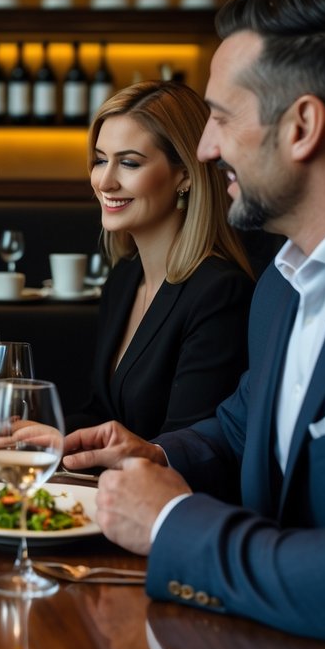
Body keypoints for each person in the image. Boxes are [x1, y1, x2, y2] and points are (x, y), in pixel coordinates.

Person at [62, 0, 325, 649]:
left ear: (302, 127)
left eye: (220, 116)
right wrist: (155, 456)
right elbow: (243, 426)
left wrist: (167, 521)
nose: (205, 147)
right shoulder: (284, 282)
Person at [70, 80, 253, 438]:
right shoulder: (125, 277)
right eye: (100, 160)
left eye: (129, 163)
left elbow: (188, 447)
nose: (104, 182)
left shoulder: (220, 292)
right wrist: (33, 437)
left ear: (184, 173)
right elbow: (104, 415)